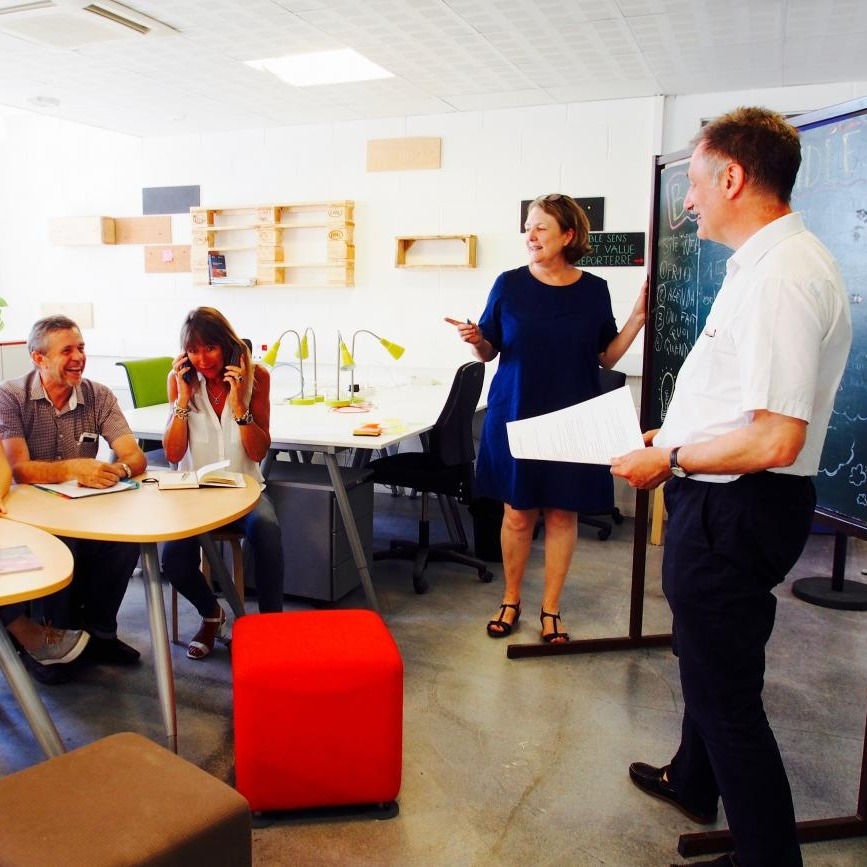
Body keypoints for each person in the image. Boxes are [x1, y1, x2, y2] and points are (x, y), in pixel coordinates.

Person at [611, 107, 852, 867]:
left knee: (726, 696)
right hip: (722, 494)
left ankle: (766, 858)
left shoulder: (782, 277)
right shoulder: (762, 264)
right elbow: (742, 404)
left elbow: (776, 437)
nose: (686, 201)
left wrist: (673, 459)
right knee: (706, 656)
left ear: (732, 178)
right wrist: (674, 436)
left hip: (738, 504)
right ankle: (693, 779)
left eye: (693, 183)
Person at [449, 193, 646, 642]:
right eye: (528, 228)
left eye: (541, 227)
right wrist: (476, 340)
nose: (530, 236)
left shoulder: (594, 290)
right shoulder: (508, 284)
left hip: (572, 416)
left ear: (568, 234)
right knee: (518, 513)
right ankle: (511, 598)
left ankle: (551, 608)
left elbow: (606, 356)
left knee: (561, 514)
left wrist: (636, 319)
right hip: (516, 410)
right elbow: (490, 351)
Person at [0, 315, 147, 685]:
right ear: (38, 358)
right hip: (29, 515)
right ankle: (48, 642)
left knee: (124, 543)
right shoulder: (11, 396)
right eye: (67, 350)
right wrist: (71, 468)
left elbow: (134, 456)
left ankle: (100, 635)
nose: (79, 357)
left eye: (81, 348)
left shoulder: (98, 395)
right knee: (62, 545)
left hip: (82, 510)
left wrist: (118, 470)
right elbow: (18, 469)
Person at [162, 307, 284, 660]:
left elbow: (258, 451)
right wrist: (182, 400)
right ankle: (211, 614)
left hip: (245, 490)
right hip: (195, 495)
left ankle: (271, 630)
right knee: (173, 558)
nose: (202, 360)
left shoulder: (257, 376)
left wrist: (238, 403)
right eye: (193, 351)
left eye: (210, 348)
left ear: (227, 345)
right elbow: (173, 453)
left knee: (267, 530)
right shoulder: (180, 381)